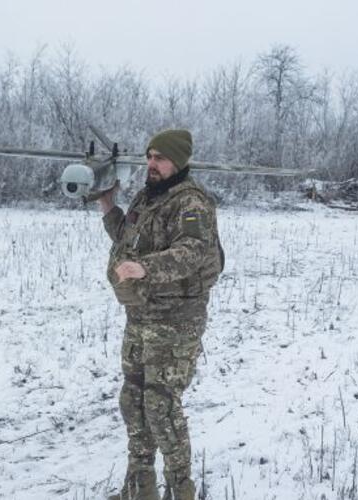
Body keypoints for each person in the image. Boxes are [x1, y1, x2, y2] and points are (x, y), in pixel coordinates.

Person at [99, 129, 223, 500]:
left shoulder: (191, 202)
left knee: (161, 406)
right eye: (149, 156)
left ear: (179, 161)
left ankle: (181, 491)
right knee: (133, 401)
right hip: (141, 316)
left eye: (160, 158)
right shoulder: (149, 196)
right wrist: (109, 209)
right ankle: (140, 489)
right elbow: (129, 237)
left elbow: (193, 251)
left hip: (176, 320)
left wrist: (145, 269)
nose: (151, 164)